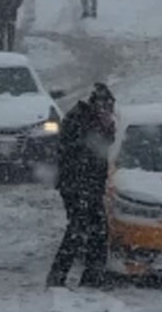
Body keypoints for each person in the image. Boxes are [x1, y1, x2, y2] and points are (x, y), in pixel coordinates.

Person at [47, 83, 116, 289]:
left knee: (96, 230)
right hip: (78, 184)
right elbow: (74, 151)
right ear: (97, 105)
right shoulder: (79, 119)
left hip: (89, 184)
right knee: (79, 230)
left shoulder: (93, 120)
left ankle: (92, 277)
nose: (109, 113)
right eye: (106, 108)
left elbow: (104, 145)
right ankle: (58, 277)